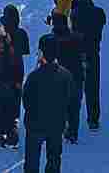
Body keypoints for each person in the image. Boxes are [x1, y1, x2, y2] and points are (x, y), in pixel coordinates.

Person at [22, 39, 72, 173]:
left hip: (35, 123)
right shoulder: (66, 75)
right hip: (56, 123)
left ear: (42, 53)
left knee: (32, 160)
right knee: (54, 158)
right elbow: (69, 99)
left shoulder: (34, 76)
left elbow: (26, 101)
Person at [38, 13, 85, 143]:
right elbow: (83, 56)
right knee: (74, 107)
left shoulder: (47, 40)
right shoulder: (78, 38)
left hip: (55, 77)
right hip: (76, 76)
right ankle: (72, 132)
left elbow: (41, 59)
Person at [70, 0, 106, 132]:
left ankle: (72, 120)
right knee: (93, 87)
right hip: (93, 52)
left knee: (76, 88)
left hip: (77, 53)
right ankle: (93, 119)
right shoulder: (99, 12)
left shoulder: (75, 12)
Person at [0, 4, 30, 149]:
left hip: (1, 71)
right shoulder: (22, 33)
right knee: (14, 103)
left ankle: (1, 133)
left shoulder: (0, 33)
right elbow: (24, 51)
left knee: (1, 103)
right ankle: (12, 135)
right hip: (17, 71)